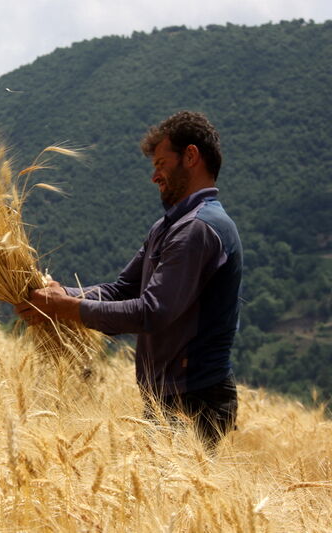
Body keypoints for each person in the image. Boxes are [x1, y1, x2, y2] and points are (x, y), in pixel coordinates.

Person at [16, 111, 242, 452]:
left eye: (163, 163)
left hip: (195, 399)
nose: (155, 176)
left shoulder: (198, 229)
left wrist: (67, 307)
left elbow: (151, 312)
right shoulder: (168, 227)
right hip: (169, 395)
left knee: (175, 503)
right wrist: (61, 295)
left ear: (191, 156)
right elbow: (122, 290)